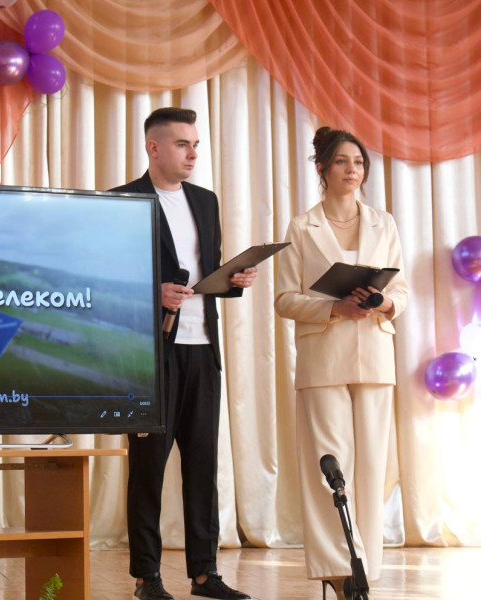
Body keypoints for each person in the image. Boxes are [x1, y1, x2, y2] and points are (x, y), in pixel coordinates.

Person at [111, 107, 256, 600]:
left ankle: (204, 574)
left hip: (203, 347)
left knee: (202, 465)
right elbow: (102, 279)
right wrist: (152, 293)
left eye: (196, 145)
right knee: (148, 468)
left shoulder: (205, 201)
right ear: (153, 148)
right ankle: (146, 577)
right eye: (182, 144)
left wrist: (234, 280)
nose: (193, 154)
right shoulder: (122, 201)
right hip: (151, 353)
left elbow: (205, 272)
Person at [274, 127, 409, 599]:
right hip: (323, 359)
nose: (353, 170)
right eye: (341, 162)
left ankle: (364, 565)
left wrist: (383, 302)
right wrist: (334, 307)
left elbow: (402, 290)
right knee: (329, 465)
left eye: (358, 162)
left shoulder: (383, 224)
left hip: (374, 356)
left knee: (371, 466)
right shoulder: (301, 227)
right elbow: (284, 298)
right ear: (322, 169)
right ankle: (336, 567)